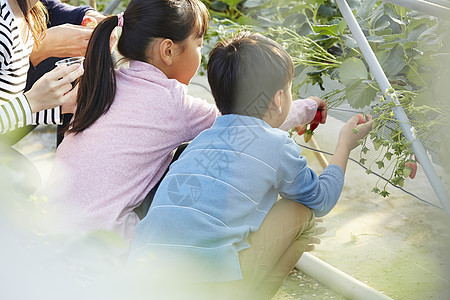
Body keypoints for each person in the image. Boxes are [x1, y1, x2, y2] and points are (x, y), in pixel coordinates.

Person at [36, 0, 326, 249]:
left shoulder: (104, 80)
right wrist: (308, 108)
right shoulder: (173, 104)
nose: (200, 54)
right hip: (109, 249)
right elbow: (248, 123)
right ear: (168, 51)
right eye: (198, 45)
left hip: (46, 231)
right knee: (211, 154)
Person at [129, 32, 373, 299]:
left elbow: (251, 128)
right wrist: (344, 145)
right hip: (204, 286)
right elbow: (321, 200)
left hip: (141, 275)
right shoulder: (276, 145)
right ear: (279, 99)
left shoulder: (201, 139)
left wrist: (306, 109)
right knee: (301, 211)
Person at [0, 0, 105, 145]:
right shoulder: (5, 30)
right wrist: (31, 102)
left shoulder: (27, 12)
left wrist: (60, 106)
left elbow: (7, 109)